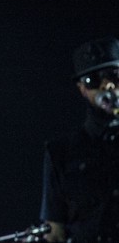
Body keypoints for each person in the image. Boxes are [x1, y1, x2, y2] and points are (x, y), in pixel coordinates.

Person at [40, 36, 119, 242]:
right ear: (82, 89)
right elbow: (54, 233)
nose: (107, 86)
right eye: (93, 80)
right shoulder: (60, 153)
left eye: (114, 76)